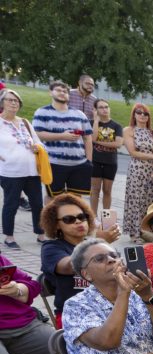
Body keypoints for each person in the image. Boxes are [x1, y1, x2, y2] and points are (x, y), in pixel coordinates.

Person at [40, 194, 120, 327]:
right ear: (56, 225)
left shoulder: (97, 245)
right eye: (69, 219)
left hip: (107, 309)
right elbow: (69, 266)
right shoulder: (51, 248)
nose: (78, 222)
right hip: (73, 314)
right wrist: (100, 242)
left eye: (82, 217)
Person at [32, 81, 93, 206]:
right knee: (53, 198)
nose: (62, 93)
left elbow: (87, 138)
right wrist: (62, 136)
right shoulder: (42, 112)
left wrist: (89, 161)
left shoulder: (79, 114)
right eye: (58, 90)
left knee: (76, 199)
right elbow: (37, 134)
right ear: (50, 92)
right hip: (54, 163)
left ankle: (72, 218)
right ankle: (51, 219)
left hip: (79, 164)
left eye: (65, 91)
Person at [0, 89, 45, 247]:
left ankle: (40, 234)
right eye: (10, 100)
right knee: (11, 204)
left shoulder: (24, 122)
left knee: (37, 204)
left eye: (16, 101)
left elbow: (38, 141)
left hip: (32, 171)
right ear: (2, 103)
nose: (14, 103)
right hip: (10, 172)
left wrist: (37, 147)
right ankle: (9, 237)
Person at [121, 103, 153, 240]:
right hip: (137, 170)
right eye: (139, 112)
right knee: (137, 200)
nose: (142, 115)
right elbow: (133, 152)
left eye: (145, 113)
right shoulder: (128, 130)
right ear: (134, 115)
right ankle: (135, 233)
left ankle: (152, 233)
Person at [88, 99, 123, 214]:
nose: (104, 109)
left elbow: (118, 144)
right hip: (95, 161)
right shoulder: (91, 123)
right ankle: (93, 217)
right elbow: (92, 138)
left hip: (110, 162)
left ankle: (106, 218)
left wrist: (98, 142)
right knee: (95, 190)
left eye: (106, 107)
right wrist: (96, 121)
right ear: (95, 110)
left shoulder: (116, 126)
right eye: (101, 107)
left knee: (107, 191)